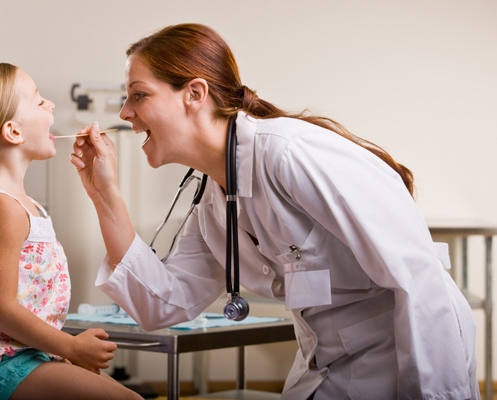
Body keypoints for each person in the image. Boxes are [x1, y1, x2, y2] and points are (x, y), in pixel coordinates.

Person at [70, 23, 479, 399]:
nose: (124, 113)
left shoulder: (289, 153)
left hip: (401, 367)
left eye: (138, 95)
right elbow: (162, 304)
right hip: (324, 369)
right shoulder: (215, 200)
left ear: (195, 94)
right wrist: (104, 195)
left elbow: (419, 279)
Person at [0, 63, 142, 400]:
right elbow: (1, 309)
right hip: (1, 368)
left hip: (26, 358)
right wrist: (72, 348)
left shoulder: (23, 204)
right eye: (38, 100)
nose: (51, 105)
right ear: (13, 131)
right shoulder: (0, 207)